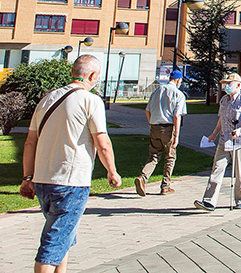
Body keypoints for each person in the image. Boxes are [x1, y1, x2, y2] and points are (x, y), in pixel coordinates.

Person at [20, 54, 121, 273]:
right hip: (71, 181)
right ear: (93, 76)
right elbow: (102, 142)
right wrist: (112, 171)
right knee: (53, 243)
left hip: (42, 180)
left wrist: (27, 177)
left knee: (63, 236)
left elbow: (30, 142)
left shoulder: (47, 99)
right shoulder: (90, 100)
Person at [194, 72, 241, 211]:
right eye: (226, 84)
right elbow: (221, 118)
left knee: (240, 172)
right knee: (217, 168)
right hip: (224, 140)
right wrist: (214, 134)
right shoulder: (224, 100)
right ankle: (209, 201)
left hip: (240, 142)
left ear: (238, 85)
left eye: (229, 84)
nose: (226, 86)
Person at [135, 69, 187, 197]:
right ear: (178, 80)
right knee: (170, 157)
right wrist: (177, 136)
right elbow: (176, 116)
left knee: (153, 155)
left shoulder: (157, 90)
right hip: (168, 128)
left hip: (155, 126)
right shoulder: (179, 94)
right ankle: (165, 186)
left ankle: (143, 177)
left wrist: (151, 124)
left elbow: (147, 111)